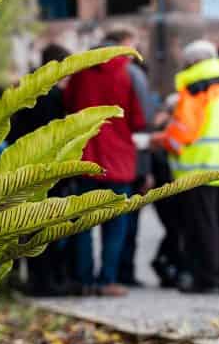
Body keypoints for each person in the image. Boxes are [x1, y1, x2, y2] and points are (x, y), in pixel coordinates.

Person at [155, 40, 219, 296]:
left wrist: (161, 140)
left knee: (204, 225)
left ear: (191, 64)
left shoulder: (196, 90)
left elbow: (181, 134)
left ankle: (207, 278)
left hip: (201, 166)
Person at [64, 28, 147, 297]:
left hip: (85, 157)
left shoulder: (81, 71)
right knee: (115, 226)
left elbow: (69, 107)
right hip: (119, 162)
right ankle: (107, 280)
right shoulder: (130, 73)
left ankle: (84, 279)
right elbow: (139, 120)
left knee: (83, 225)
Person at [8, 43, 74, 297]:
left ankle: (34, 280)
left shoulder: (27, 90)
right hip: (47, 169)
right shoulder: (54, 96)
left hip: (24, 165)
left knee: (29, 225)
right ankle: (47, 282)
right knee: (47, 227)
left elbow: (14, 131)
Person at [117, 55, 156, 288]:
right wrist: (146, 172)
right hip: (132, 167)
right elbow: (143, 136)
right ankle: (124, 272)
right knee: (128, 225)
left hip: (119, 165)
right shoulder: (137, 89)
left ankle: (107, 274)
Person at [149, 94, 186, 288]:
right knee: (175, 229)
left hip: (175, 185)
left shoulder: (170, 129)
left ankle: (166, 264)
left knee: (176, 229)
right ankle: (167, 265)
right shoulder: (165, 130)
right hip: (166, 186)